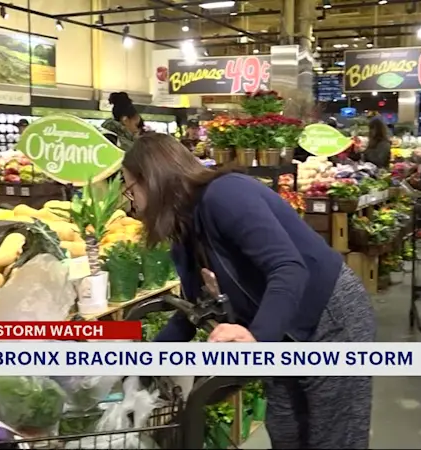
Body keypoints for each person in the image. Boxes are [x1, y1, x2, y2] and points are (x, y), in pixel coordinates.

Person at [122, 133, 376, 449]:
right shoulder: (185, 234)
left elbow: (288, 267)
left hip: (330, 317)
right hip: (283, 330)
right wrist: (140, 365)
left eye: (129, 189)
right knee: (286, 431)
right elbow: (193, 309)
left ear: (152, 180)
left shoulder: (225, 194)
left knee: (334, 435)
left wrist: (257, 340)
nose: (130, 203)